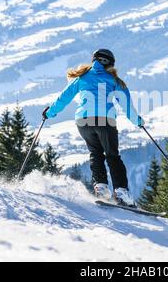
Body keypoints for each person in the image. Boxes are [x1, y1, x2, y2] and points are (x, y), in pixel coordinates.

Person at [43, 49, 144, 207]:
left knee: (95, 153)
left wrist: (49, 113)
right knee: (112, 155)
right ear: (111, 63)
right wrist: (137, 121)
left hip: (83, 121)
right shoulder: (114, 80)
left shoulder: (82, 77)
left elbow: (63, 98)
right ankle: (122, 192)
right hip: (105, 121)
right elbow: (127, 106)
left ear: (94, 60)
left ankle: (102, 188)